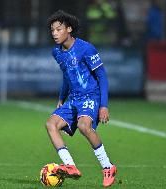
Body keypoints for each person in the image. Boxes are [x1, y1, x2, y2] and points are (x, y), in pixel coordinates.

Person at [45, 10, 117, 187]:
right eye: (52, 30)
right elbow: (67, 76)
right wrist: (61, 97)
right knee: (50, 124)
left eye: (58, 29)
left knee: (85, 126)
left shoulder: (86, 48)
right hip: (74, 99)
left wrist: (104, 105)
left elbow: (102, 76)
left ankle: (108, 167)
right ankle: (70, 166)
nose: (54, 33)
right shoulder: (57, 53)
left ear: (69, 29)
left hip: (90, 96)